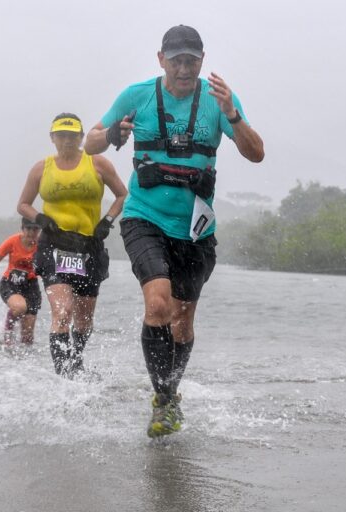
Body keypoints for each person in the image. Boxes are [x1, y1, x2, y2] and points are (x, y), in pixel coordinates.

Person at [83, 25, 264, 437]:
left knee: (182, 322)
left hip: (196, 229)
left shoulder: (219, 102)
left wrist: (233, 114)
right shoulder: (137, 95)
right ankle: (163, 401)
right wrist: (112, 134)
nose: (184, 68)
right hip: (144, 217)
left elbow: (256, 153)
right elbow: (90, 141)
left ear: (202, 61)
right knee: (158, 305)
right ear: (161, 58)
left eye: (192, 61)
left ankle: (171, 392)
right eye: (177, 60)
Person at [18, 112, 127, 377]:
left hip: (88, 247)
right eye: (61, 135)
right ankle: (63, 376)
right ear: (52, 138)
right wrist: (40, 218)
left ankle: (76, 361)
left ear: (81, 137)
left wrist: (108, 220)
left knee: (84, 319)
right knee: (62, 311)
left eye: (72, 135)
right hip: (55, 246)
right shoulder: (41, 168)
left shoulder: (98, 164)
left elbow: (122, 194)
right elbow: (23, 204)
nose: (67, 140)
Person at [0, 218, 42, 347]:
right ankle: (7, 335)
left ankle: (24, 361)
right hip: (10, 282)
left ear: (39, 230)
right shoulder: (13, 241)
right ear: (23, 229)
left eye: (35, 229)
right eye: (28, 229)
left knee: (28, 338)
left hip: (31, 285)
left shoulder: (42, 244)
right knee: (20, 307)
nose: (32, 232)